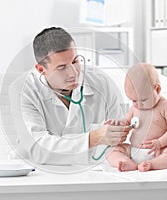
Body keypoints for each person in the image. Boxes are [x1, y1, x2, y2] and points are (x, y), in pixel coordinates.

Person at [8, 27, 129, 165]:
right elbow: (38, 149)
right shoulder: (22, 90)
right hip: (37, 173)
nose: (73, 73)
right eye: (62, 67)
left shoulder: (101, 82)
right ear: (41, 69)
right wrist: (94, 138)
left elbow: (119, 138)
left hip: (94, 170)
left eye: (75, 61)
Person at [106, 63, 167, 172]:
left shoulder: (166, 106)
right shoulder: (134, 108)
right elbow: (126, 122)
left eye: (143, 100)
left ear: (157, 89)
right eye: (133, 100)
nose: (138, 104)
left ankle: (151, 164)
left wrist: (160, 142)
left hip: (157, 151)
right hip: (133, 150)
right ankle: (126, 162)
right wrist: (117, 123)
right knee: (111, 151)